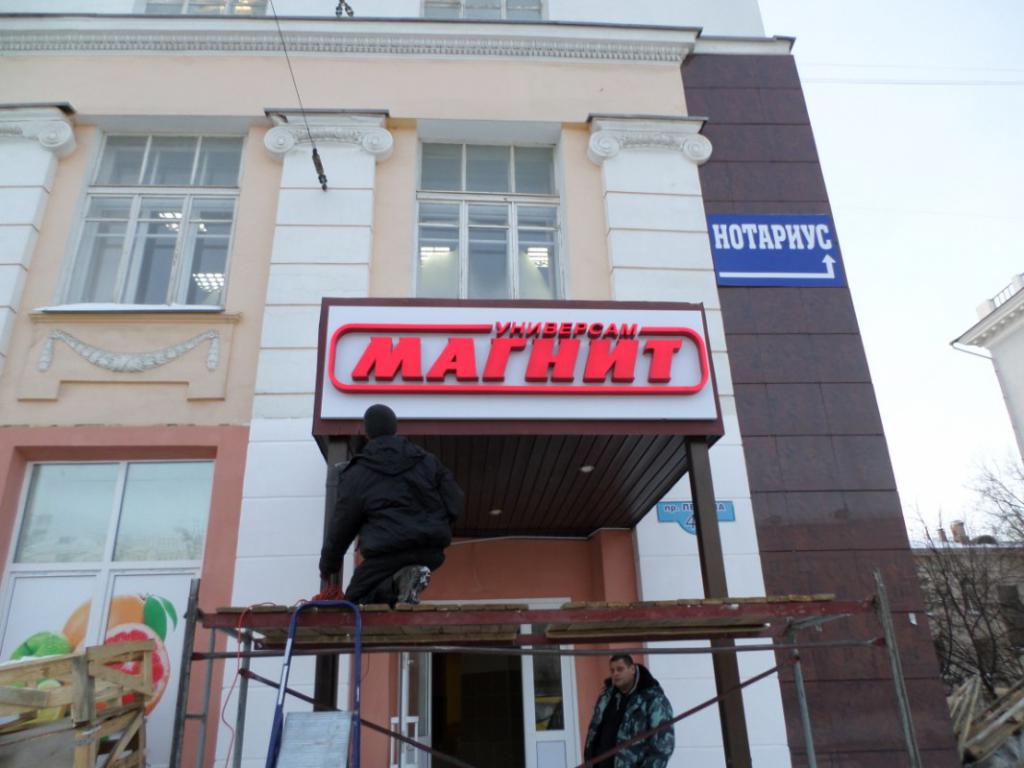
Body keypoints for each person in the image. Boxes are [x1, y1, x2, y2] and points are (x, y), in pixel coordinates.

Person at [318, 403, 464, 607]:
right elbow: (455, 501)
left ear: (367, 433)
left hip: (386, 555)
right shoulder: (428, 461)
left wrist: (328, 565)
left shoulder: (358, 473)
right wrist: (435, 525)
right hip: (430, 552)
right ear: (395, 428)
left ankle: (399, 584)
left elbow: (343, 523)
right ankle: (404, 583)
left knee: (355, 600)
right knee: (389, 589)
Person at [583, 654, 675, 768]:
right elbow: (594, 733)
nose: (615, 674)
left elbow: (663, 747)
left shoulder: (653, 700)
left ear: (632, 669)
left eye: (620, 669)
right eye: (612, 670)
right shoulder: (606, 697)